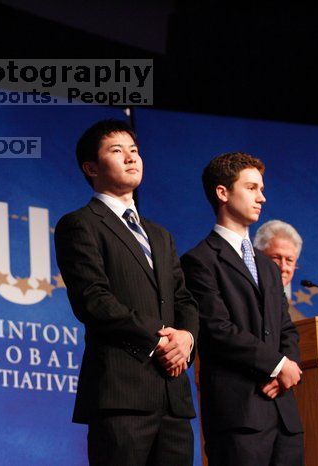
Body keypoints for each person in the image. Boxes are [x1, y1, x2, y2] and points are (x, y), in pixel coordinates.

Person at [54, 119, 198, 466]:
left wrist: (187, 338)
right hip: (121, 393)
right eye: (117, 151)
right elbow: (94, 300)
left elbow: (184, 299)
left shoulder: (159, 235)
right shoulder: (80, 224)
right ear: (91, 167)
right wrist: (160, 340)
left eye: (134, 151)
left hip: (173, 394)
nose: (131, 158)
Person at [181, 153, 304, 466]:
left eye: (261, 189)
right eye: (251, 188)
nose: (261, 197)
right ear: (223, 193)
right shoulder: (200, 260)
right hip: (239, 416)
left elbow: (286, 328)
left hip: (284, 415)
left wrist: (287, 368)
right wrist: (277, 364)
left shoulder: (268, 266)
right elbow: (217, 329)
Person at [254, 219, 305, 320]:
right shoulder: (242, 298)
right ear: (257, 258)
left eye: (289, 260)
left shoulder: (299, 320)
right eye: (276, 258)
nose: (283, 267)